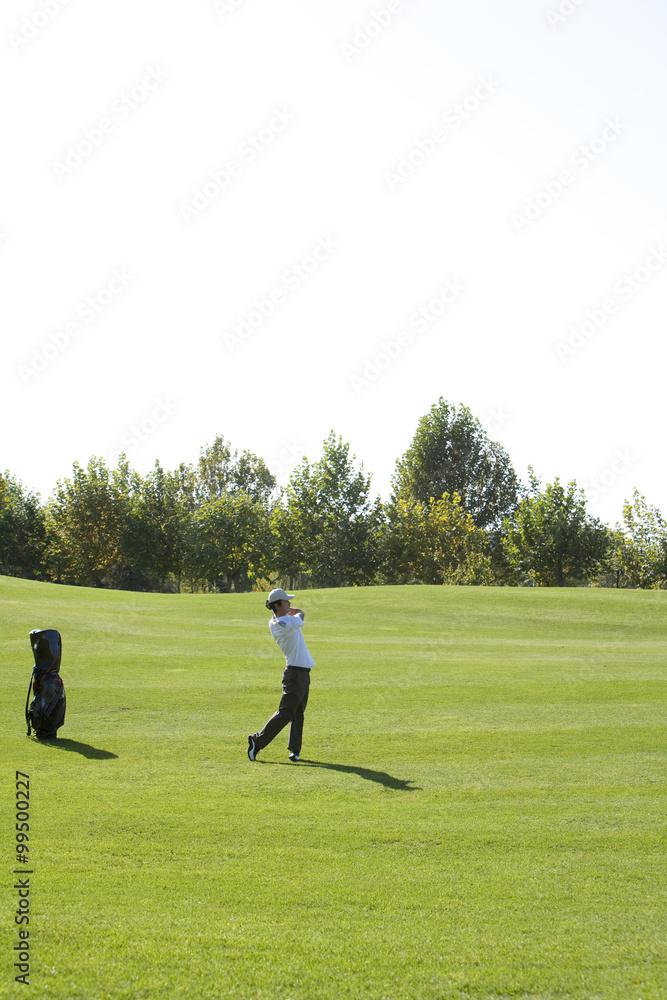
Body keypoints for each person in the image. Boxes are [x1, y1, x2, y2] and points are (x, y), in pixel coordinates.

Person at [247, 589, 315, 763]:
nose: (290, 603)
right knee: (286, 713)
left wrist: (287, 609)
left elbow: (292, 614)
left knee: (298, 712)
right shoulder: (287, 622)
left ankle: (295, 750)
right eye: (286, 601)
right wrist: (294, 611)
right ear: (277, 605)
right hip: (296, 674)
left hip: (300, 673)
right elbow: (302, 613)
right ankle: (258, 741)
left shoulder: (276, 621)